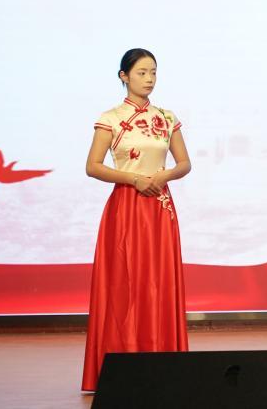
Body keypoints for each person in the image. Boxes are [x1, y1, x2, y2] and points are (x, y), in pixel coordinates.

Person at [81, 48, 192, 391]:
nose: (149, 79)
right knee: (125, 284)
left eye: (153, 72)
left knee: (159, 282)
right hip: (127, 207)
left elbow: (184, 163)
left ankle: (163, 366)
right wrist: (134, 179)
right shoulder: (111, 118)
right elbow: (93, 166)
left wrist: (164, 176)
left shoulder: (166, 117)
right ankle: (122, 366)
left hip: (159, 206)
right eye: (142, 72)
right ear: (124, 76)